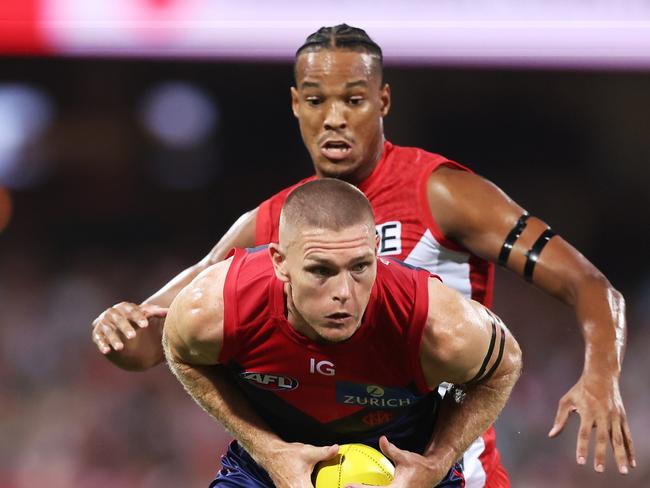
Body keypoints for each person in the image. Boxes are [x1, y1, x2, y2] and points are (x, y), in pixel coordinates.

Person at [91, 24, 636, 484]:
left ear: (383, 101)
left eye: (353, 99)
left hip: (436, 464)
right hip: (320, 466)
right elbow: (147, 344)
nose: (334, 117)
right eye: (315, 99)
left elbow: (588, 285)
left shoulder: (443, 193)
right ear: (294, 105)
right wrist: (118, 323)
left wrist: (601, 374)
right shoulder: (276, 221)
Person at [163, 178, 523, 488]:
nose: (344, 293)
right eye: (321, 270)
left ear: (377, 252)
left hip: (405, 469)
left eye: (360, 267)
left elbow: (505, 365)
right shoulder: (216, 308)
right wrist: (269, 450)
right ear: (279, 262)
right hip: (269, 468)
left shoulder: (434, 323)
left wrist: (437, 461)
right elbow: (179, 351)